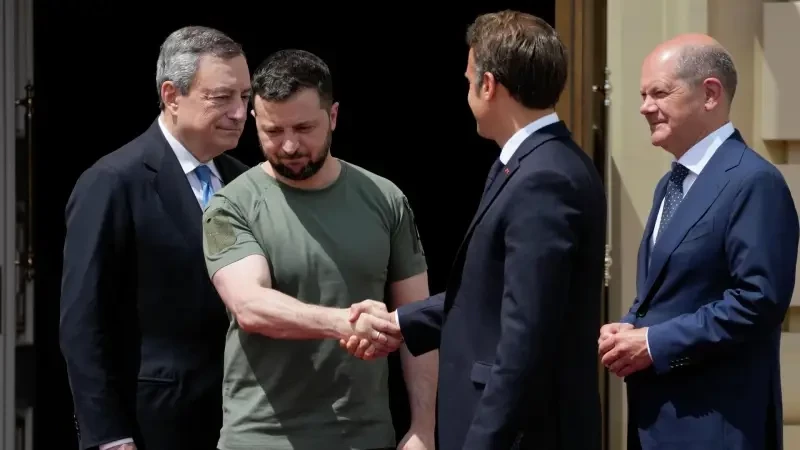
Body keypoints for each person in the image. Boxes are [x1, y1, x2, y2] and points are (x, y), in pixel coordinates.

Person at [344, 10, 606, 450]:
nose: (466, 94)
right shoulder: (535, 164)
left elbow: (526, 335)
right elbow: (493, 291)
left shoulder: (543, 178)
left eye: (468, 82)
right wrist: (401, 321)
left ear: (488, 85)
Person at [200, 48, 437, 450]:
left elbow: (419, 322)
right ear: (255, 120)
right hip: (261, 440)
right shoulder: (229, 207)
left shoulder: (385, 199)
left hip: (364, 437)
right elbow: (250, 306)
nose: (289, 146)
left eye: (304, 128)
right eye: (273, 131)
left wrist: (423, 428)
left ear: (333, 116)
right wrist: (346, 323)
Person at [598, 33, 798, 450]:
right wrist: (631, 326)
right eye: (642, 95)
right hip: (658, 424)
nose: (644, 107)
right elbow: (671, 290)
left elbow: (758, 302)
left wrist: (653, 343)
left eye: (659, 93)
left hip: (716, 428)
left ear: (710, 94)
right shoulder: (670, 184)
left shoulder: (754, 181)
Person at [59, 26, 251, 450]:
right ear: (171, 95)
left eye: (245, 96)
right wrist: (109, 436)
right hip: (155, 424)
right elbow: (83, 323)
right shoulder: (112, 181)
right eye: (222, 97)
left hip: (243, 421)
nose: (240, 113)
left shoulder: (244, 181)